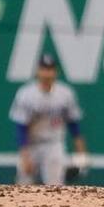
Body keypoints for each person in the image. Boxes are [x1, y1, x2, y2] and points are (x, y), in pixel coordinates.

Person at [9, 54, 89, 186]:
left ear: (56, 72)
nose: (47, 73)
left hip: (54, 144)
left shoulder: (65, 93)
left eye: (50, 69)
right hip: (31, 145)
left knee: (55, 186)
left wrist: (81, 153)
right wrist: (24, 155)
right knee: (23, 185)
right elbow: (21, 127)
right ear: (37, 71)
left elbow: (73, 124)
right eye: (44, 69)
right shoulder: (26, 94)